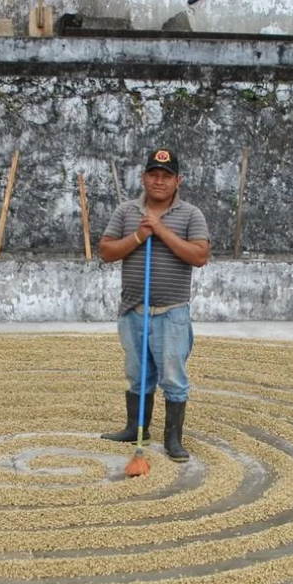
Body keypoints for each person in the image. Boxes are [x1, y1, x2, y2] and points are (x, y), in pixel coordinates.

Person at [98, 148, 210, 462]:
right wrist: (137, 236)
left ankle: (173, 440)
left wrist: (160, 231)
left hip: (171, 312)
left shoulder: (190, 214)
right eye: (153, 174)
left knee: (173, 376)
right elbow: (106, 252)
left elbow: (199, 257)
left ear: (178, 180)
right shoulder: (126, 211)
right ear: (144, 177)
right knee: (137, 373)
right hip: (133, 310)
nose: (159, 181)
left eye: (166, 176)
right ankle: (137, 428)